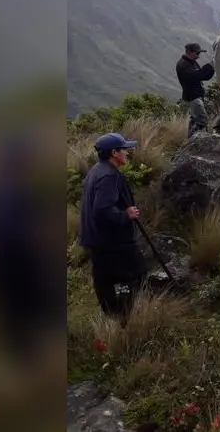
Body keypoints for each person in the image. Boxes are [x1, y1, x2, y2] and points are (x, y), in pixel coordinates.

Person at [78, 133, 147, 325]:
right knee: (135, 273)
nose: (127, 153)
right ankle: (127, 315)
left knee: (104, 278)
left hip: (95, 239)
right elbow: (102, 209)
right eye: (124, 149)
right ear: (114, 153)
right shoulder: (109, 176)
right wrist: (126, 215)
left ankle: (112, 317)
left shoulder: (96, 170)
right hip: (112, 241)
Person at [176, 42, 215, 138]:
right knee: (202, 120)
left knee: (194, 120)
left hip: (196, 95)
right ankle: (193, 141)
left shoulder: (191, 62)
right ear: (190, 52)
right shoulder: (183, 65)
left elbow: (203, 76)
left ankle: (190, 141)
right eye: (197, 53)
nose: (198, 56)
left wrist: (211, 67)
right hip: (193, 97)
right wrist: (211, 66)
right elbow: (197, 75)